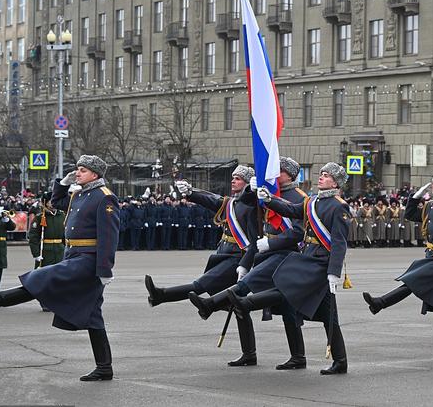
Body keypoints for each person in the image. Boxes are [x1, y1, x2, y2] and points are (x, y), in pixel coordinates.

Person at [0, 155, 120, 381]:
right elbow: (57, 202)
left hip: (88, 260)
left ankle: (0, 299)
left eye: (82, 170)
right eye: (77, 169)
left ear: (95, 174)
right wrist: (62, 183)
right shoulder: (79, 194)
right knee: (93, 316)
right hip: (73, 255)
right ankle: (104, 368)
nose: (78, 173)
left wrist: (105, 270)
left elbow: (109, 237)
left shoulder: (105, 198)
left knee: (44, 276)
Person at [227, 162, 351, 375]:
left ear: (336, 182)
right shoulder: (312, 201)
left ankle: (247, 302)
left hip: (320, 264)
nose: (321, 177)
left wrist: (334, 272)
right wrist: (269, 199)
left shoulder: (339, 206)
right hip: (309, 258)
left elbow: (339, 242)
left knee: (285, 284)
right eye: (320, 174)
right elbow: (290, 210)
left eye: (326, 175)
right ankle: (340, 361)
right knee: (329, 315)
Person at [190, 157, 309, 370]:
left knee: (249, 291)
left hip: (287, 256)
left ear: (289, 174)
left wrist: (271, 244)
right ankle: (254, 353)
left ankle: (211, 304)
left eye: (278, 170)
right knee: (276, 308)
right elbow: (243, 202)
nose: (273, 174)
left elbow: (299, 232)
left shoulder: (299, 197)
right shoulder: (271, 192)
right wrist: (251, 189)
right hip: (265, 253)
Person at [144, 165, 259, 367]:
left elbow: (253, 231)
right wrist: (192, 193)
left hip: (237, 257)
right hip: (224, 254)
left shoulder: (251, 205)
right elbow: (212, 200)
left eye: (239, 178)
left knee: (201, 285)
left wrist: (245, 265)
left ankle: (162, 295)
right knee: (238, 307)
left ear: (248, 183)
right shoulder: (231, 202)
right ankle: (249, 353)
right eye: (232, 177)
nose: (233, 181)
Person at [363, 171, 433, 358]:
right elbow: (411, 214)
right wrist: (415, 198)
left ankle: (381, 302)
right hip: (432, 256)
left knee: (413, 279)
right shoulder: (430, 206)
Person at [28, 192, 66, 311]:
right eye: (51, 201)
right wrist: (36, 254)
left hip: (59, 249)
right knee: (45, 278)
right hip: (46, 251)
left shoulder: (61, 215)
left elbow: (65, 235)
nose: (53, 203)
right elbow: (33, 237)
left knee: (59, 278)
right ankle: (45, 301)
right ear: (45, 202)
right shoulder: (40, 217)